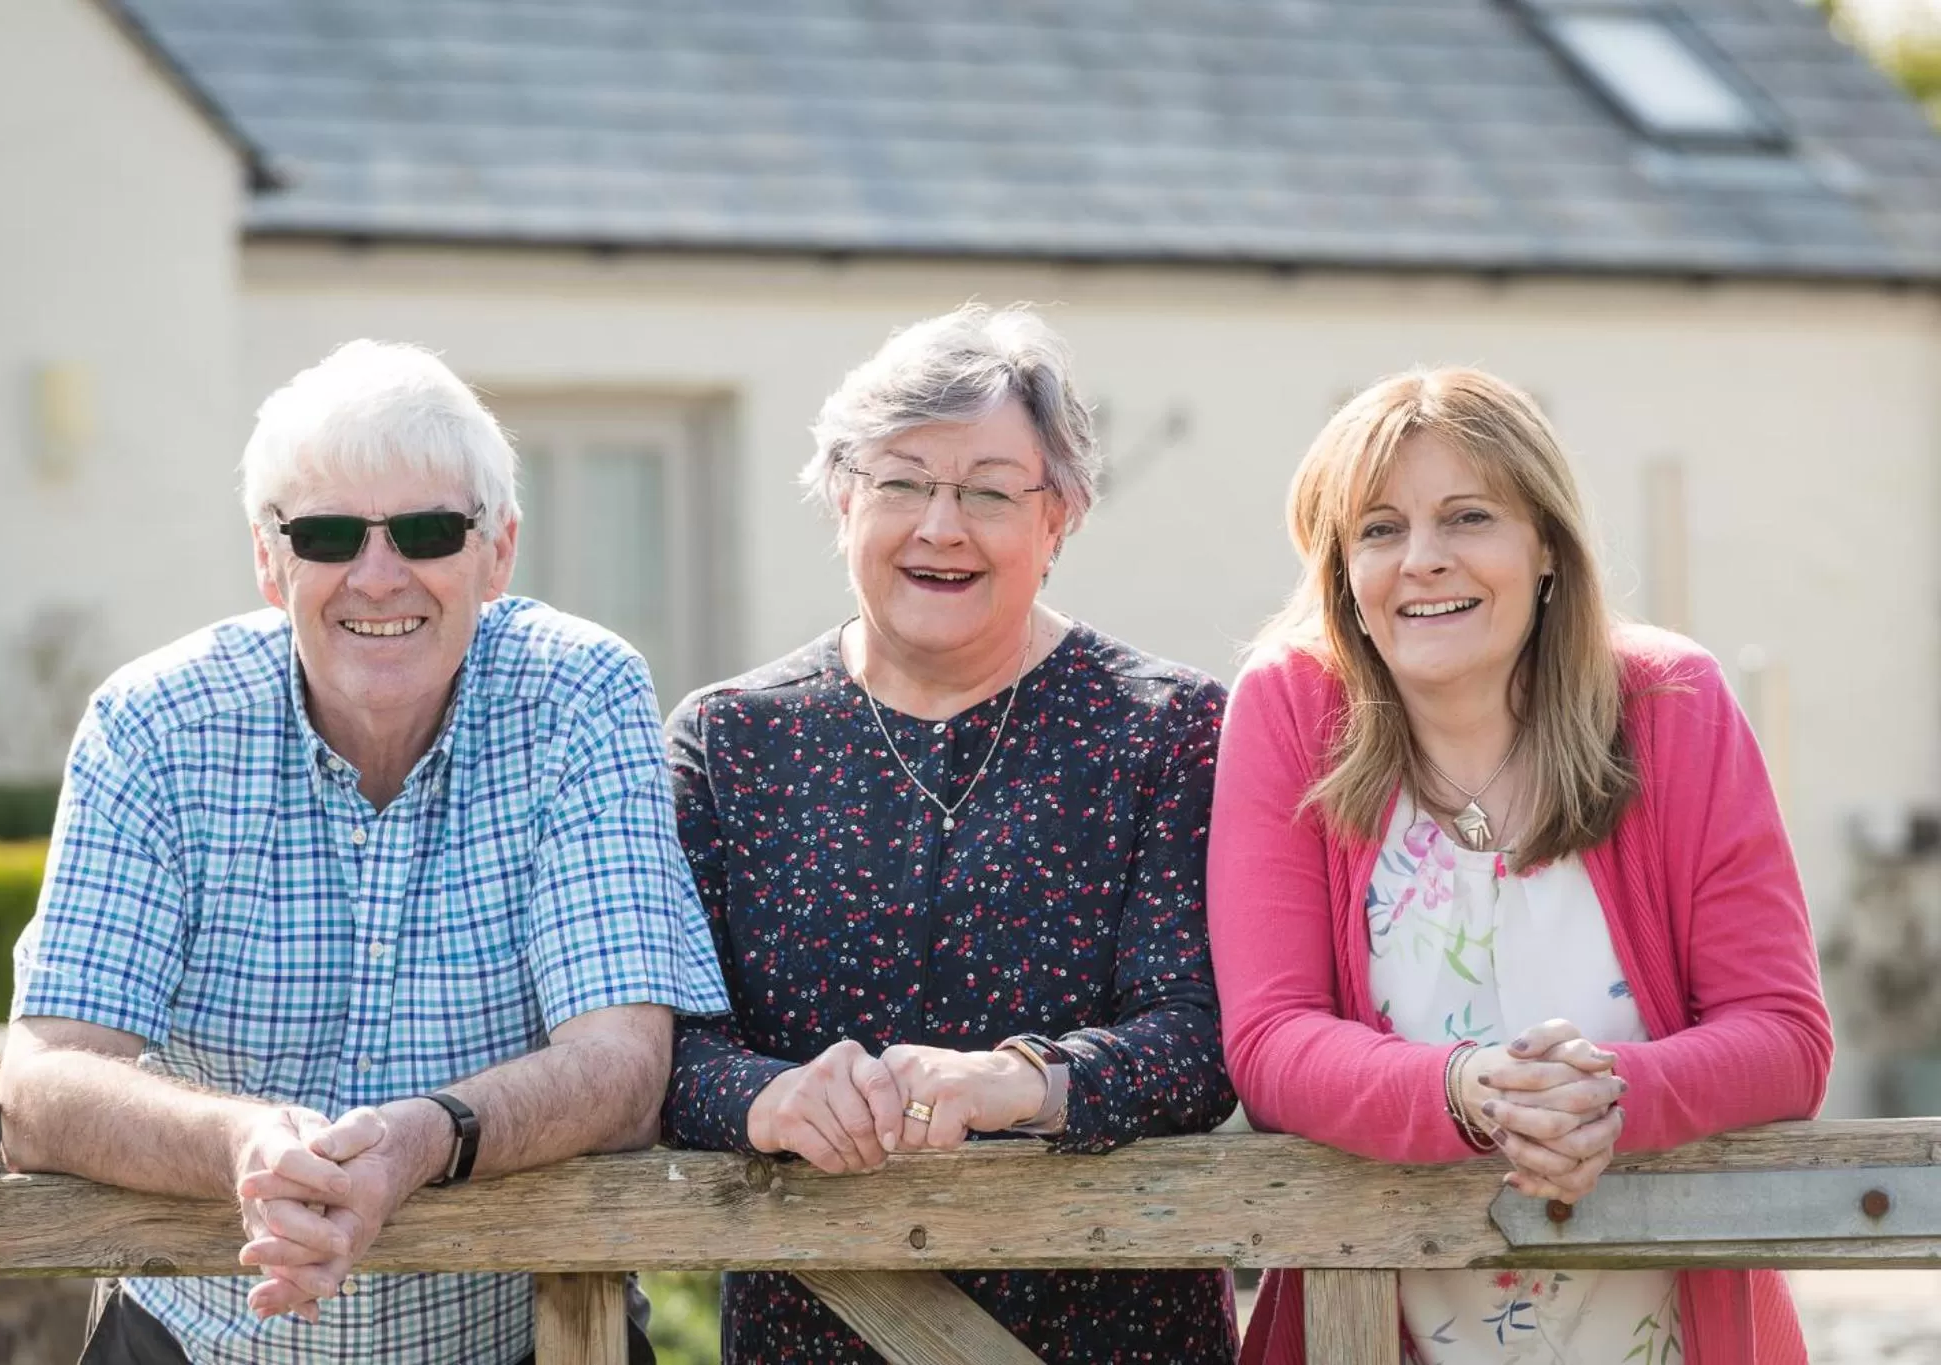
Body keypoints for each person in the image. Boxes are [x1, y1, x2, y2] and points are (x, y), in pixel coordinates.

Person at [0, 340, 729, 1365]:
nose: (377, 577)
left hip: (519, 1343)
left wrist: (421, 1140)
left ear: (497, 552)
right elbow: (43, 1085)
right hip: (200, 1343)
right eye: (329, 532)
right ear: (269, 559)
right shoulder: (154, 723)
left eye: (428, 530)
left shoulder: (578, 694)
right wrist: (248, 1147)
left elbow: (623, 1066)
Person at [1207, 367, 1834, 1365]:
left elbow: (1783, 1040)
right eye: (1376, 529)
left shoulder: (1670, 701)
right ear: (1340, 574)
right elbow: (1271, 1046)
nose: (1421, 560)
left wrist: (1608, 1099)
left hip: (1668, 1328)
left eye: (1466, 517)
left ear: (1544, 546)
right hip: (1374, 1327)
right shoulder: (1289, 708)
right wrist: (1467, 1093)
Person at [661, 304, 1240, 1363]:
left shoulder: (1167, 726)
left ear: (1057, 517)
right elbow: (663, 1048)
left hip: (1114, 1331)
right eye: (900, 482)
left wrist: (1020, 1081)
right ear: (841, 498)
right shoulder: (729, 738)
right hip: (811, 1334)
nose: (939, 526)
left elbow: (1203, 1039)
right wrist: (771, 1098)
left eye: (986, 490)